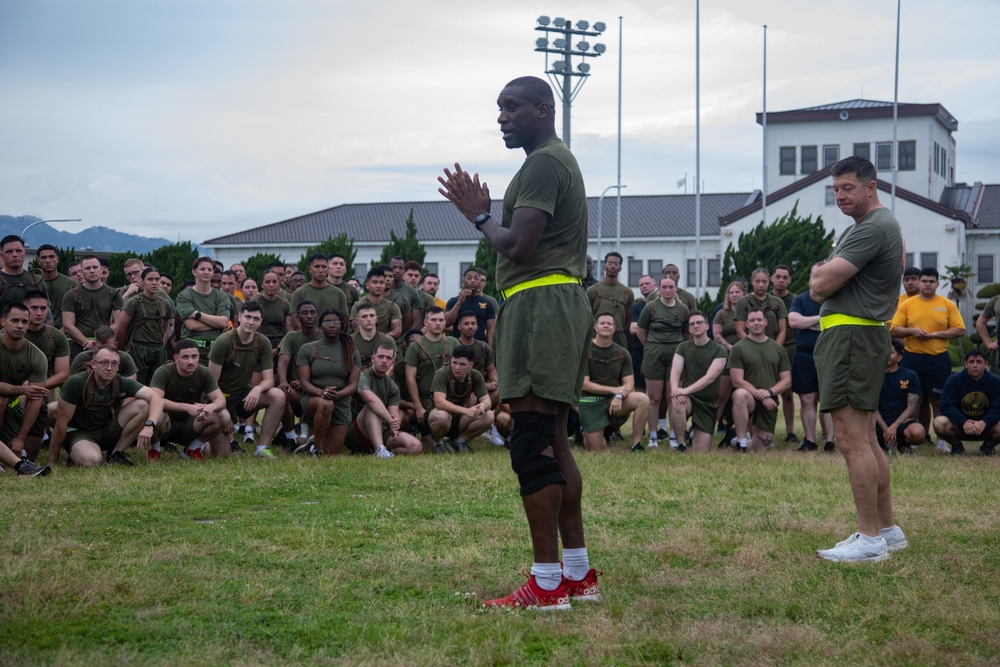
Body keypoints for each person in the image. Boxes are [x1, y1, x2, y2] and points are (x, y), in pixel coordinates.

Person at [438, 75, 598, 609]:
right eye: (498, 108)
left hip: (541, 305)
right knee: (551, 441)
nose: (502, 117)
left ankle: (547, 585)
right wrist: (491, 216)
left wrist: (479, 215)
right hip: (552, 303)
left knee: (529, 442)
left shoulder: (545, 162)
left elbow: (520, 246)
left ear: (544, 109)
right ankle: (577, 574)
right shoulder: (551, 161)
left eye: (512, 107)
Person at [810, 155, 906, 563]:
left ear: (871, 187)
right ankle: (886, 530)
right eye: (834, 190)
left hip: (852, 336)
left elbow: (819, 283)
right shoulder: (879, 226)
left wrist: (821, 269)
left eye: (847, 188)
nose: (840, 196)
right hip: (861, 334)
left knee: (851, 441)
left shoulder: (872, 227)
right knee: (866, 439)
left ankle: (869, 540)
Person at [49, 346, 167, 467]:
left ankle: (116, 454)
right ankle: (76, 454)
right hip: (80, 433)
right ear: (93, 364)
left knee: (143, 405)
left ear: (118, 366)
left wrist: (149, 425)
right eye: (104, 363)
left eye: (114, 363)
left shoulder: (120, 381)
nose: (110, 368)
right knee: (92, 460)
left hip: (107, 429)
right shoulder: (76, 382)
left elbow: (156, 399)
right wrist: (53, 461)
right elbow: (61, 423)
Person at [890, 267, 966, 446]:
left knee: (938, 401)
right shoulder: (907, 304)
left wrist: (934, 335)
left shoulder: (947, 304)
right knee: (915, 400)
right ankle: (918, 438)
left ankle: (942, 440)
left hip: (937, 358)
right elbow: (894, 329)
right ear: (920, 283)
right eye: (924, 281)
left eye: (931, 281)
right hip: (912, 357)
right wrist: (913, 331)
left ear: (937, 284)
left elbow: (960, 329)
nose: (927, 284)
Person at [208, 302, 285, 459]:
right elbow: (211, 385)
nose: (251, 322)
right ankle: (205, 441)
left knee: (278, 395)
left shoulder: (262, 342)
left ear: (260, 322)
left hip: (242, 394)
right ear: (239, 317)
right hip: (219, 398)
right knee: (220, 455)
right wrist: (225, 414)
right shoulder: (223, 342)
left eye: (256, 318)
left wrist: (257, 389)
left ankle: (262, 448)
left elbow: (269, 380)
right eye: (248, 317)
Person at [149, 339, 231, 461]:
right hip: (165, 425)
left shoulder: (203, 372)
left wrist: (210, 407)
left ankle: (192, 449)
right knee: (157, 414)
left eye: (194, 356)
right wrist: (187, 407)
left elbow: (220, 400)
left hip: (190, 424)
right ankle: (154, 450)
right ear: (176, 358)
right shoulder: (163, 372)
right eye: (185, 357)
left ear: (199, 356)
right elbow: (155, 400)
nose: (191, 361)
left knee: (223, 415)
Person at [295, 307, 361, 455]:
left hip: (341, 401)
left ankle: (313, 444)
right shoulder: (307, 349)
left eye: (336, 322)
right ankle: (316, 449)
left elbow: (353, 385)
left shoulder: (351, 351)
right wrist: (321, 392)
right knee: (326, 403)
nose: (331, 325)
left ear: (342, 324)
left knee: (331, 454)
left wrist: (337, 395)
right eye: (326, 322)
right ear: (320, 326)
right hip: (314, 399)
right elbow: (304, 382)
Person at [580, 313, 648, 452]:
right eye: (602, 323)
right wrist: (614, 390)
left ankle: (636, 444)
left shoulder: (622, 353)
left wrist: (618, 396)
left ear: (614, 328)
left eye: (609, 324)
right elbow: (584, 384)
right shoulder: (584, 351)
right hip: (590, 402)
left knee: (643, 399)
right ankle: (585, 431)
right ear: (595, 327)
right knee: (596, 449)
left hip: (614, 401)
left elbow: (629, 384)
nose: (606, 326)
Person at [728, 308, 792, 452]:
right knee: (739, 395)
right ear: (747, 324)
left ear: (765, 322)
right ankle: (741, 443)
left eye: (759, 320)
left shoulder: (778, 349)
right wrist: (761, 395)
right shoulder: (738, 348)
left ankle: (732, 439)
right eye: (752, 320)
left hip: (769, 400)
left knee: (760, 448)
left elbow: (786, 381)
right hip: (749, 398)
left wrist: (769, 392)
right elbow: (737, 381)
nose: (756, 323)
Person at [637, 276, 688, 448]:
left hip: (675, 354)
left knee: (673, 397)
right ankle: (653, 436)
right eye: (664, 287)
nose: (667, 290)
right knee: (654, 398)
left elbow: (686, 334)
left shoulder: (682, 309)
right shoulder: (650, 307)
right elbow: (641, 332)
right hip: (654, 353)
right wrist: (652, 346)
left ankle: (674, 435)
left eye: (671, 287)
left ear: (676, 288)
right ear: (659, 288)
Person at [788, 265, 835, 452]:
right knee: (807, 399)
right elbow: (794, 322)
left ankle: (830, 441)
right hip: (805, 356)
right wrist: (821, 320)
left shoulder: (836, 299)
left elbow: (837, 326)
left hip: (830, 356)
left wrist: (807, 322)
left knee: (828, 400)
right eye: (815, 274)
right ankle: (810, 441)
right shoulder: (800, 299)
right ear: (811, 276)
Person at [346, 344, 422, 457]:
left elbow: (394, 414)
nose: (384, 361)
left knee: (415, 446)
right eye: (380, 356)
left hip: (384, 431)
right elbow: (370, 399)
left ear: (392, 362)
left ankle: (387, 453)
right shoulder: (362, 376)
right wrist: (391, 421)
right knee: (372, 407)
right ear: (373, 359)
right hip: (359, 432)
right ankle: (380, 450)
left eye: (388, 358)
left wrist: (395, 426)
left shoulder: (392, 386)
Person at [669, 311, 728, 452]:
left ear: (707, 326)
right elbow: (675, 371)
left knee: (700, 450)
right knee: (677, 401)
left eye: (699, 322)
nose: (696, 326)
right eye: (692, 324)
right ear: (689, 329)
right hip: (689, 398)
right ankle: (681, 444)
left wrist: (685, 390)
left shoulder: (719, 350)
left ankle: (693, 433)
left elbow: (710, 377)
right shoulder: (682, 347)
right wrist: (675, 390)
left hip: (708, 402)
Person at [404, 307, 459, 448]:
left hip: (452, 399)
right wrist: (418, 407)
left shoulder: (453, 342)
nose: (438, 323)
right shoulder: (415, 346)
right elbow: (410, 378)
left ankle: (458, 440)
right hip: (428, 404)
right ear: (425, 322)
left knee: (485, 416)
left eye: (441, 320)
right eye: (434, 320)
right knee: (441, 419)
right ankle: (439, 443)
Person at [0, 303, 49, 461]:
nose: (20, 326)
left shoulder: (37, 356)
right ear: (3, 321)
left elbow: (36, 396)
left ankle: (16, 443)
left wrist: (21, 438)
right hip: (6, 399)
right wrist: (22, 390)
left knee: (30, 455)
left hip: (18, 404)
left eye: (24, 322)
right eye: (14, 320)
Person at [933, 348, 1000, 456]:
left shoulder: (995, 381)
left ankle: (987, 447)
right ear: (965, 364)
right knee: (939, 422)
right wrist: (963, 421)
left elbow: (998, 407)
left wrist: (985, 422)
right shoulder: (953, 380)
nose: (975, 365)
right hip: (960, 426)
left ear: (986, 364)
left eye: (979, 362)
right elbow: (946, 406)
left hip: (986, 426)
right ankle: (957, 446)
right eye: (971, 362)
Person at [426, 345, 494, 453]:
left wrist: (480, 407)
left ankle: (458, 441)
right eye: (454, 362)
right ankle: (438, 444)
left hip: (460, 419)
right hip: (439, 417)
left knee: (489, 415)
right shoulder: (442, 373)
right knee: (442, 416)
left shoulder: (475, 376)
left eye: (462, 364)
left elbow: (487, 401)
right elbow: (439, 402)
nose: (457, 367)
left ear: (471, 365)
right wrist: (466, 410)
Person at [114, 267, 175, 386]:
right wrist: (122, 349)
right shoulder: (134, 302)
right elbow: (120, 329)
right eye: (150, 279)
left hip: (158, 350)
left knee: (157, 386)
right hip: (137, 349)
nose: (154, 283)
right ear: (142, 281)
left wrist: (162, 344)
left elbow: (167, 327)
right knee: (137, 386)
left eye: (157, 279)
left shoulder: (165, 303)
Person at [455, 311, 507, 446]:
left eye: (473, 323)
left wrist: (495, 381)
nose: (470, 326)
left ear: (478, 326)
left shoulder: (483, 347)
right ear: (459, 327)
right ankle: (455, 435)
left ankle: (497, 430)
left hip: (480, 392)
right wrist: (484, 384)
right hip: (459, 393)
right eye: (466, 324)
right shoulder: (453, 346)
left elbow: (491, 369)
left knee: (501, 393)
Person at [277, 300, 320, 448]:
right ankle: (290, 437)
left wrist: (305, 384)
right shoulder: (292, 337)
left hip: (319, 390)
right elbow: (283, 361)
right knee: (282, 394)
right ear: (297, 317)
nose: (309, 316)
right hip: (298, 391)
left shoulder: (324, 336)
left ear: (316, 315)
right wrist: (283, 381)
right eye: (305, 313)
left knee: (310, 440)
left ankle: (305, 432)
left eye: (312, 312)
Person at [62, 255, 123, 359]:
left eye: (95, 267)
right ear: (81, 272)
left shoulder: (114, 294)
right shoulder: (71, 295)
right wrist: (87, 342)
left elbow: (118, 323)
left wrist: (100, 342)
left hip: (106, 348)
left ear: (101, 270)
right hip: (78, 348)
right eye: (87, 268)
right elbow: (68, 325)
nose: (92, 271)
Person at [176, 256, 234, 365]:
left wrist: (197, 314)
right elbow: (191, 325)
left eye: (209, 269)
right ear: (194, 271)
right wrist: (217, 323)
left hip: (216, 349)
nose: (206, 272)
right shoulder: (184, 295)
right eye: (202, 269)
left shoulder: (222, 296)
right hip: (191, 351)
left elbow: (223, 322)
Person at [876, 339, 926, 454]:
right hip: (878, 422)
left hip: (902, 422)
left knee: (918, 433)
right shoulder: (874, 376)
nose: (886, 355)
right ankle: (882, 445)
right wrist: (885, 428)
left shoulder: (910, 376)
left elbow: (911, 408)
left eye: (891, 352)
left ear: (899, 358)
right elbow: (871, 406)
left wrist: (894, 426)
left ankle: (903, 445)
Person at [712, 280, 747, 435]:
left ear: (743, 294)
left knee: (745, 394)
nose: (734, 295)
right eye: (731, 292)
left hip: (746, 358)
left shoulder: (749, 312)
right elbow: (716, 335)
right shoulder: (722, 313)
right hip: (726, 358)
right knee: (721, 396)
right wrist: (731, 348)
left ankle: (747, 430)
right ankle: (711, 428)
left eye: (737, 292)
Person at [22, 290, 70, 399]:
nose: (39, 313)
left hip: (44, 389)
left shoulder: (57, 336)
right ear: (24, 308)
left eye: (43, 308)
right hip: (13, 388)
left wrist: (35, 387)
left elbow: (62, 374)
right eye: (34, 308)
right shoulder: (6, 335)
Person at [770, 264, 798, 445]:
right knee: (766, 391)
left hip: (789, 348)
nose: (781, 280)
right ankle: (765, 431)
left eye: (784, 277)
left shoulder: (795, 300)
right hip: (766, 349)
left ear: (790, 280)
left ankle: (790, 432)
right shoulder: (763, 299)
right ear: (772, 278)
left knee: (787, 393)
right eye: (778, 276)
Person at [587, 252, 634, 349]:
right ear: (604, 266)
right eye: (610, 263)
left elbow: (628, 321)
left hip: (619, 339)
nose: (612, 266)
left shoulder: (627, 292)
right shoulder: (592, 291)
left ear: (620, 268)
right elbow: (587, 317)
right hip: (596, 338)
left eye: (616, 264)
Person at [291, 253, 349, 329]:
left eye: (324, 267)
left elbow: (345, 321)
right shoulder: (299, 293)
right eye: (317, 267)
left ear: (327, 269)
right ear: (309, 269)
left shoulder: (339, 293)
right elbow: (295, 320)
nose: (321, 270)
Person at [445, 266, 496, 345]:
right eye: (469, 278)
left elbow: (491, 329)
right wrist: (459, 302)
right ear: (463, 281)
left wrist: (490, 350)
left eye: (476, 278)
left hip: (480, 347)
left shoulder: (487, 303)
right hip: (458, 347)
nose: (472, 281)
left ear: (480, 282)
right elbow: (447, 323)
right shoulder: (454, 301)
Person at [350, 267, 402, 340]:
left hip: (385, 346)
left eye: (381, 282)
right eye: (374, 282)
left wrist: (379, 340)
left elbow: (397, 332)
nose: (378, 286)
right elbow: (356, 329)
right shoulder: (358, 306)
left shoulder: (392, 306)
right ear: (367, 285)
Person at [250, 269, 292, 356]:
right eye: (267, 282)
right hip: (257, 344)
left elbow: (289, 332)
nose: (271, 285)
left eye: (274, 282)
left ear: (279, 284)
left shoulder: (285, 305)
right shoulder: (254, 302)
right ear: (262, 284)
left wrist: (278, 349)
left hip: (279, 346)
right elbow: (249, 326)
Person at [69, 326, 138, 378]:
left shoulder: (125, 358)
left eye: (108, 347)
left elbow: (132, 389)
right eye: (100, 348)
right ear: (94, 345)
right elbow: (69, 384)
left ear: (115, 345)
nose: (104, 351)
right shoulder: (82, 358)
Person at [35, 243, 76, 330]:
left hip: (66, 334)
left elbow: (79, 313)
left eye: (51, 257)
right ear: (38, 261)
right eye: (43, 257)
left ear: (57, 259)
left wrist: (60, 334)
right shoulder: (33, 282)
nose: (48, 260)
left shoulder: (71, 284)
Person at [629, 274, 657, 393]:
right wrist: (655, 329)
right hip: (639, 351)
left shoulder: (661, 304)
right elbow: (633, 328)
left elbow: (638, 327)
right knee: (639, 387)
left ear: (655, 286)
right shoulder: (636, 307)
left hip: (658, 351)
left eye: (647, 283)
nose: (644, 286)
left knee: (657, 391)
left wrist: (642, 328)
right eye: (641, 285)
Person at [0, 235, 43, 312]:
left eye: (18, 251)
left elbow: (46, 311)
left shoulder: (37, 280)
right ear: (1, 256)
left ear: (24, 254)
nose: (15, 255)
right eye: (9, 251)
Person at [352, 302, 396, 369]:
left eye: (372, 316)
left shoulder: (387, 340)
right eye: (364, 316)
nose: (369, 319)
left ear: (376, 319)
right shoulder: (350, 341)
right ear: (357, 321)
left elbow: (391, 367)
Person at [389, 257, 423, 332]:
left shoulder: (412, 292)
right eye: (394, 267)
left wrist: (404, 338)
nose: (397, 271)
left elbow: (415, 323)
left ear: (404, 270)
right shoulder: (381, 290)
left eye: (400, 268)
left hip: (405, 338)